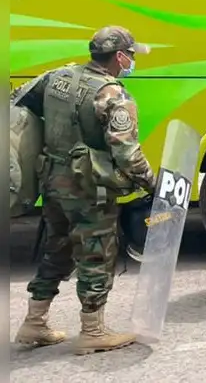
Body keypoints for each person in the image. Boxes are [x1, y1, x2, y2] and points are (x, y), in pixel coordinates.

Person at [15, 26, 154, 354]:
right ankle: (93, 331)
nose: (132, 61)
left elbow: (18, 102)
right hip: (89, 189)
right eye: (131, 55)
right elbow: (126, 152)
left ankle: (34, 322)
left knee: (58, 248)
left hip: (51, 181)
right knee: (96, 255)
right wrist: (153, 182)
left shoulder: (56, 76)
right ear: (119, 56)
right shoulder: (112, 95)